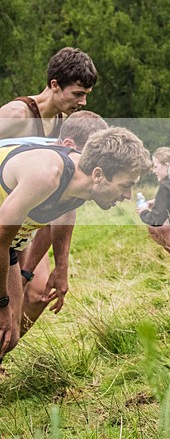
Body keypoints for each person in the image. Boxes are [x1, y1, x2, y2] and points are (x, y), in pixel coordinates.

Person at [0, 127, 151, 359]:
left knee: (8, 336)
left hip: (6, 245)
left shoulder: (82, 183)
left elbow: (66, 212)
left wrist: (62, 267)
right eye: (125, 185)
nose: (128, 196)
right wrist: (2, 303)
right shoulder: (46, 175)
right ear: (99, 175)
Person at [11, 111, 109, 344]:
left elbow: (57, 214)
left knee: (37, 295)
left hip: (21, 231)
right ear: (69, 145)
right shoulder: (43, 166)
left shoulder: (78, 172)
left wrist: (46, 269)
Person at [0, 47, 97, 139]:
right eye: (78, 94)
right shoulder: (17, 114)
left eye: (86, 94)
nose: (83, 102)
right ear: (55, 85)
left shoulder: (62, 118)